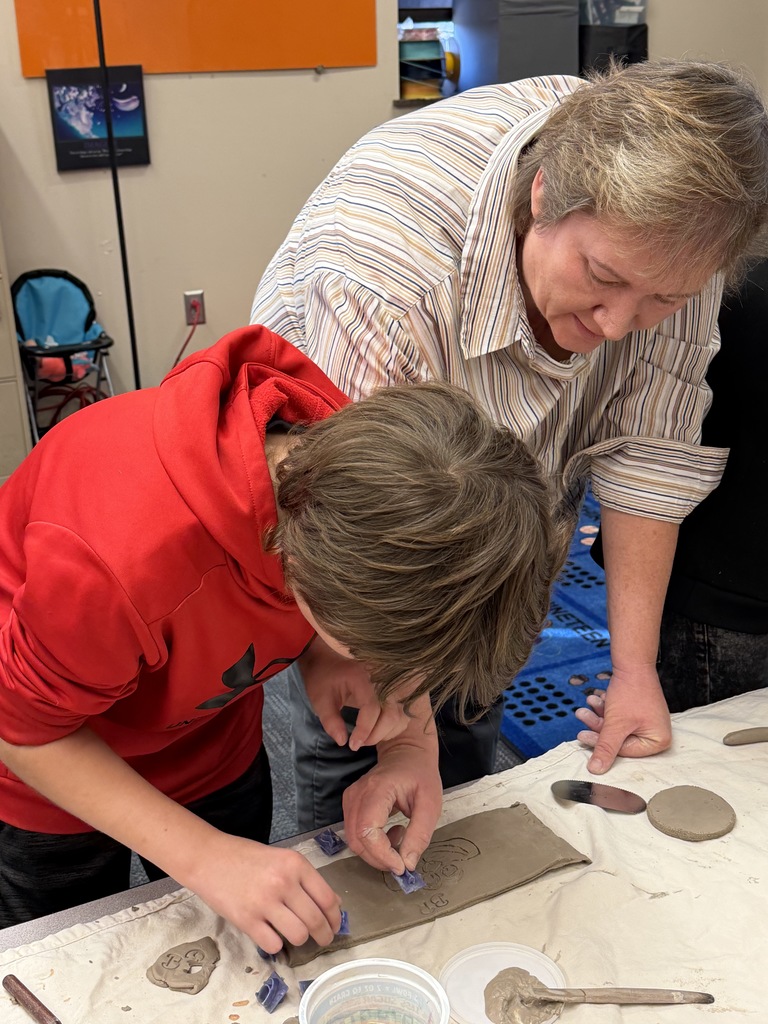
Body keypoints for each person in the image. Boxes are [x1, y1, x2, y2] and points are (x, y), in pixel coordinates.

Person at [250, 58, 768, 826]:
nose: (618, 326)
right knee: (362, 763)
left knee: (469, 737)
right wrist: (404, 746)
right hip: (360, 543)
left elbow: (649, 455)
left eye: (664, 300)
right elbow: (367, 537)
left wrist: (633, 670)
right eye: (600, 276)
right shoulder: (388, 273)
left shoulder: (675, 240)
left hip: (501, 525)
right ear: (542, 196)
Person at [0, 325, 560, 945]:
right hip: (51, 769)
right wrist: (203, 858)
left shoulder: (360, 476)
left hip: (211, 740)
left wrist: (410, 747)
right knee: (65, 956)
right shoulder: (116, 563)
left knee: (230, 930)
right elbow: (25, 731)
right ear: (317, 583)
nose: (397, 681)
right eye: (386, 656)